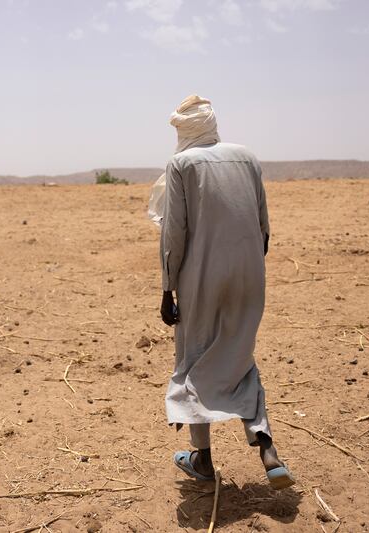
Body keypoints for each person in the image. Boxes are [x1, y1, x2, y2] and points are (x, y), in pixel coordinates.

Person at [153, 95, 294, 489]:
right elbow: (263, 224)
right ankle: (266, 448)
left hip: (202, 277)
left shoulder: (180, 164)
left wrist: (168, 288)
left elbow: (174, 233)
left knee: (194, 357)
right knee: (238, 351)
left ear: (184, 130)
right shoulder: (247, 157)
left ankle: (203, 460)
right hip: (251, 272)